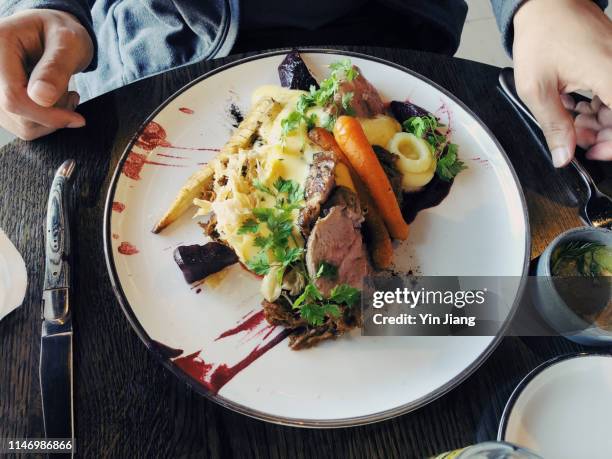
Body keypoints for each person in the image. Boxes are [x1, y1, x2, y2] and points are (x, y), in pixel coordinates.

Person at [0, 0, 611, 167]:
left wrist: (546, 4)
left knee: (489, 316)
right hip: (137, 67)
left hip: (392, 53)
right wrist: (47, 10)